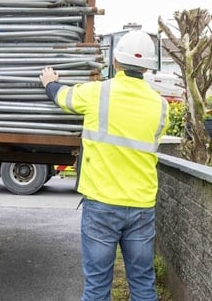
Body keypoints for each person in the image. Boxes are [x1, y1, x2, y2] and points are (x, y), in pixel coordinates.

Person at [39, 30, 168, 301]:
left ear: (116, 62)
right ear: (147, 66)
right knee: (143, 284)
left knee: (97, 286)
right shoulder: (161, 106)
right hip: (142, 205)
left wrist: (50, 82)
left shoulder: (97, 93)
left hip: (102, 203)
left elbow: (63, 98)